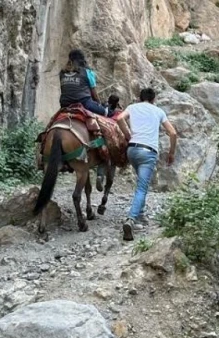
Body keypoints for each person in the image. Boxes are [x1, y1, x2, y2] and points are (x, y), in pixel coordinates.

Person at [115, 88, 177, 241]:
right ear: (153, 99)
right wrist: (171, 153)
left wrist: (128, 134)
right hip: (148, 152)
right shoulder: (158, 111)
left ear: (139, 97)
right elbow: (173, 133)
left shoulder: (132, 107)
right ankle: (131, 219)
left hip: (132, 151)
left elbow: (119, 118)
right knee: (142, 187)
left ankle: (140, 215)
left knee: (141, 184)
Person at [59, 49, 109, 117]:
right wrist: (99, 105)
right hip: (84, 103)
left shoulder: (62, 73)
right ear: (82, 59)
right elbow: (95, 95)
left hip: (65, 104)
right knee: (105, 112)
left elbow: (65, 90)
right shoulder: (88, 72)